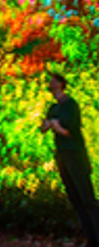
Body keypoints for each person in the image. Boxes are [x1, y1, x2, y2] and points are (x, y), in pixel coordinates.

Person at [41, 71, 99, 246]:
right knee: (75, 198)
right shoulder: (53, 107)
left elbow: (66, 130)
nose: (50, 83)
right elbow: (44, 127)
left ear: (60, 84)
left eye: (53, 81)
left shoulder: (70, 105)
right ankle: (90, 238)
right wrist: (52, 125)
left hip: (75, 154)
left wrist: (54, 125)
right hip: (62, 154)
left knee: (87, 197)